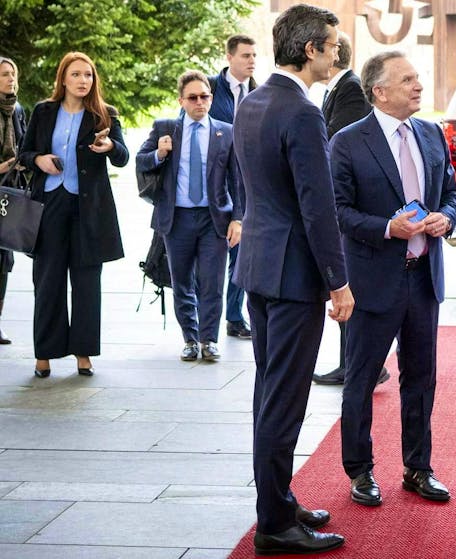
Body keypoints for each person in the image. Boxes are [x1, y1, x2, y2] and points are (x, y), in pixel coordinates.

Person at [232, 5, 353, 555]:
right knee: (283, 400)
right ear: (310, 50)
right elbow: (317, 206)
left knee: (268, 392)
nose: (337, 56)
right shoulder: (302, 112)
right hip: (292, 275)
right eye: (332, 46)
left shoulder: (252, 102)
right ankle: (275, 525)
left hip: (258, 267)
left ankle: (277, 501)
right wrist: (338, 281)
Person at [332, 50, 456, 507]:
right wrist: (389, 227)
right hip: (372, 280)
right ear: (379, 91)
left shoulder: (430, 133)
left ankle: (418, 467)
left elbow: (450, 192)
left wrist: (446, 217)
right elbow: (339, 212)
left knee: (421, 377)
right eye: (407, 80)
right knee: (362, 378)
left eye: (418, 78)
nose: (418, 86)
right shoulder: (348, 141)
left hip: (423, 277)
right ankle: (360, 470)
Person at [18, 52, 129, 378]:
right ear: (63, 78)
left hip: (89, 211)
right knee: (48, 281)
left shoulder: (104, 115)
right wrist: (39, 160)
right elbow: (25, 153)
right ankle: (45, 355)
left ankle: (83, 353)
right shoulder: (43, 111)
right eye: (77, 75)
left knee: (86, 283)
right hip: (49, 206)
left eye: (89, 75)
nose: (83, 81)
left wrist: (109, 147)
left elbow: (122, 157)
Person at [136, 70, 244, 362]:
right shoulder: (165, 128)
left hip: (214, 219)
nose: (200, 102)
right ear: (181, 100)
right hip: (177, 218)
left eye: (205, 96)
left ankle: (209, 340)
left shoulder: (226, 131)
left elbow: (238, 180)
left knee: (212, 282)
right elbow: (140, 161)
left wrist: (238, 218)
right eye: (193, 98)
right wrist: (159, 154)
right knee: (182, 282)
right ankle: (190, 339)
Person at [312, 31, 386, 387]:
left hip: (352, 204)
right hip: (343, 201)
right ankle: (355, 362)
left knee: (349, 285)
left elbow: (341, 143)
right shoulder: (339, 89)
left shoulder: (352, 89)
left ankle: (361, 365)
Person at [207, 34, 257, 341]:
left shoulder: (259, 91)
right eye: (245, 55)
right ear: (229, 57)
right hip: (215, 180)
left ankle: (235, 315)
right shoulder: (211, 89)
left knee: (241, 249)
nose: (251, 61)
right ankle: (204, 318)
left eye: (254, 55)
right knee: (212, 250)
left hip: (248, 180)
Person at [0, 56, 27, 345]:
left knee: (4, 259)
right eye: (5, 75)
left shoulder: (17, 108)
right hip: (4, 177)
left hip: (8, 193)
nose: (11, 79)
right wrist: (6, 166)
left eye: (12, 74)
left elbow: (25, 142)